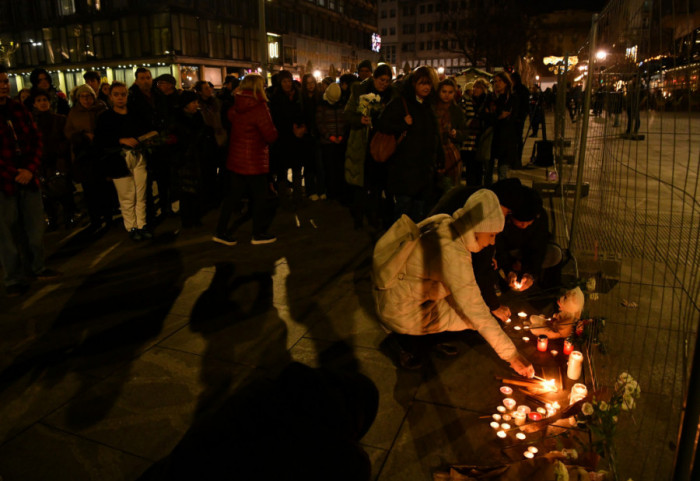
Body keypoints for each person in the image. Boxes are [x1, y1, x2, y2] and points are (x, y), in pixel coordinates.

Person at [373, 188, 534, 375]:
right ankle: (404, 344)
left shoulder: (447, 223)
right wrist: (513, 356)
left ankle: (427, 339)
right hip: (399, 309)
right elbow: (475, 311)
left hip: (404, 294)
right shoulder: (451, 250)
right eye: (491, 235)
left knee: (472, 314)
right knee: (474, 321)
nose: (492, 242)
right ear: (478, 226)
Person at [0, 66, 61, 297]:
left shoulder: (18, 109)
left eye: (6, 81)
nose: (4, 85)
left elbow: (36, 139)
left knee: (34, 227)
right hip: (4, 183)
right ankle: (13, 278)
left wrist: (29, 169)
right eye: (0, 82)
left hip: (28, 178)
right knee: (6, 234)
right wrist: (15, 172)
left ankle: (37, 267)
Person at [214, 74, 278, 246]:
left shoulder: (238, 105)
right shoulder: (260, 107)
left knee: (232, 197)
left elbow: (230, 118)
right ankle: (258, 234)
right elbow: (270, 135)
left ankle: (220, 231)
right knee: (260, 198)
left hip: (237, 159)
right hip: (254, 160)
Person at [375, 65, 443, 222]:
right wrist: (402, 125)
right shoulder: (400, 103)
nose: (426, 87)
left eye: (429, 83)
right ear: (414, 84)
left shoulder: (428, 106)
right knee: (403, 210)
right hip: (404, 168)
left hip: (424, 170)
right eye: (422, 83)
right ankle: (399, 242)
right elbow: (382, 125)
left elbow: (434, 135)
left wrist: (439, 159)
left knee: (419, 212)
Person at [95, 81, 152, 241]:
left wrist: (144, 140)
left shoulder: (135, 113)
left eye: (123, 94)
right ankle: (131, 226)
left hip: (138, 156)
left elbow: (145, 130)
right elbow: (101, 140)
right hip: (118, 160)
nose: (120, 98)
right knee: (127, 196)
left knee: (141, 193)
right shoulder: (105, 117)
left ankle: (142, 224)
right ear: (111, 97)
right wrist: (121, 140)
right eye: (117, 94)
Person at [344, 63, 397, 229]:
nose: (384, 84)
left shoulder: (392, 95)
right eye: (381, 80)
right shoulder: (359, 91)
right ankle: (358, 216)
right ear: (374, 78)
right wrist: (360, 120)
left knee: (377, 184)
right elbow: (347, 114)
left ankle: (375, 215)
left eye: (387, 81)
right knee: (361, 183)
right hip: (362, 143)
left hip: (382, 144)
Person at [495, 186, 563, 292]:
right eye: (521, 222)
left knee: (555, 254)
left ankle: (543, 296)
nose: (525, 225)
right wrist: (508, 269)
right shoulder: (503, 215)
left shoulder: (540, 216)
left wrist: (530, 273)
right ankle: (499, 283)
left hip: (526, 253)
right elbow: (498, 246)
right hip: (508, 252)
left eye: (529, 222)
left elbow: (539, 247)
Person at [64, 84, 111, 231]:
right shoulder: (73, 113)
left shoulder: (102, 109)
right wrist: (83, 136)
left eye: (89, 96)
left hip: (100, 154)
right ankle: (95, 219)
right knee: (89, 191)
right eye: (83, 96)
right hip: (84, 157)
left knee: (105, 189)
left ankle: (108, 217)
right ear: (78, 98)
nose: (86, 99)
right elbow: (69, 132)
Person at [170, 90, 217, 229]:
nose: (196, 105)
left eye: (196, 102)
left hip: (198, 157)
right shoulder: (178, 119)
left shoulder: (198, 117)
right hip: (184, 159)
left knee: (197, 188)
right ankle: (187, 218)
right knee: (186, 190)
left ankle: (195, 216)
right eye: (193, 102)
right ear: (185, 104)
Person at [31, 90, 76, 230]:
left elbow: (66, 139)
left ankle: (69, 216)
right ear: (34, 104)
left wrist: (59, 152)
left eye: (44, 100)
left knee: (64, 190)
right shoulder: (32, 122)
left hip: (59, 160)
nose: (42, 103)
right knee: (47, 194)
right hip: (42, 162)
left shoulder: (60, 119)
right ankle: (53, 219)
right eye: (39, 100)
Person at [269, 70, 305, 205]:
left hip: (296, 139)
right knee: (282, 171)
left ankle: (298, 197)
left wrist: (302, 127)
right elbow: (276, 118)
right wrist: (291, 128)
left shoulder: (297, 95)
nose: (288, 84)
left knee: (297, 169)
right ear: (280, 82)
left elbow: (302, 113)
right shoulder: (276, 97)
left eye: (289, 81)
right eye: (284, 81)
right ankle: (283, 198)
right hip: (282, 139)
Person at [316, 82, 349, 203]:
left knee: (339, 168)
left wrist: (341, 136)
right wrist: (330, 137)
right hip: (327, 143)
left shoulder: (341, 104)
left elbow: (344, 122)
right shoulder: (322, 105)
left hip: (339, 141)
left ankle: (339, 192)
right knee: (329, 169)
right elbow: (320, 124)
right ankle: (331, 192)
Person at [434, 78, 468, 188]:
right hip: (433, 152)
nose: (446, 95)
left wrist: (456, 133)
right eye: (444, 92)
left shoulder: (456, 110)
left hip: (451, 153)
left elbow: (464, 131)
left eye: (450, 92)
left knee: (449, 186)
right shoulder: (432, 108)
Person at [486, 72, 517, 185]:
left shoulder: (511, 98)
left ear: (506, 83)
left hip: (506, 138)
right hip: (492, 137)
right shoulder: (491, 98)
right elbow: (487, 116)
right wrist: (498, 116)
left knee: (503, 170)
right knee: (488, 170)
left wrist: (496, 115)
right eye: (495, 81)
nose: (497, 84)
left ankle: (501, 194)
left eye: (500, 81)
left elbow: (512, 115)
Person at [510, 72, 530, 169]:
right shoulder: (522, 90)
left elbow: (523, 105)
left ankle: (516, 160)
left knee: (516, 140)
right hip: (518, 118)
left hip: (517, 118)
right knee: (517, 139)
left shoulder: (517, 90)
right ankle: (516, 160)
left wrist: (519, 117)